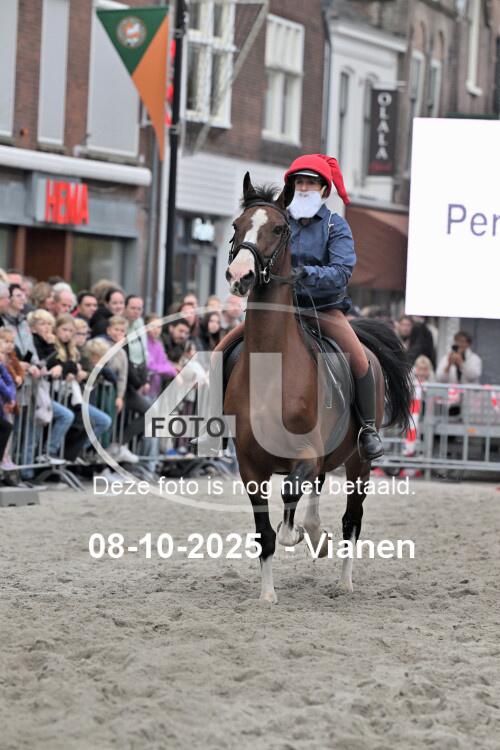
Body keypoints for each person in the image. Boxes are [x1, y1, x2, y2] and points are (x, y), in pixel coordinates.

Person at [202, 154, 384, 459]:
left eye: (311, 183)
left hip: (322, 310)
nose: (304, 188)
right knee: (218, 353)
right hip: (275, 312)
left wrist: (305, 274)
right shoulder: (276, 222)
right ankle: (216, 426)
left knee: (361, 361)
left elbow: (341, 272)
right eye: (299, 182)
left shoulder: (335, 226)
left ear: (323, 189)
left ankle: (367, 429)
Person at [145, 313, 176, 398]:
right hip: (146, 387)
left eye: (159, 327)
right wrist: (172, 370)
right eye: (153, 326)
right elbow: (150, 366)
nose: (156, 330)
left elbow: (164, 362)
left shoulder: (159, 344)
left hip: (156, 388)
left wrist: (174, 369)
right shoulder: (144, 343)